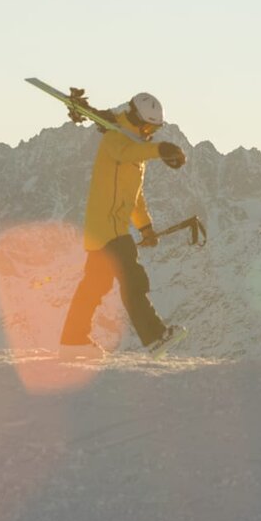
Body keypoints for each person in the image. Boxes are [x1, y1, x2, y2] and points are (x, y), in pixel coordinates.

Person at [59, 92, 189, 359]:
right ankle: (155, 337)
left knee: (94, 286)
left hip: (105, 228)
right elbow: (125, 152)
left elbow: (135, 196)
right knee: (134, 280)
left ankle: (72, 342)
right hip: (110, 229)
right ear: (136, 119)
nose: (149, 134)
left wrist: (145, 227)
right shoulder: (115, 138)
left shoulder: (134, 147)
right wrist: (160, 149)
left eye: (155, 130)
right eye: (148, 128)